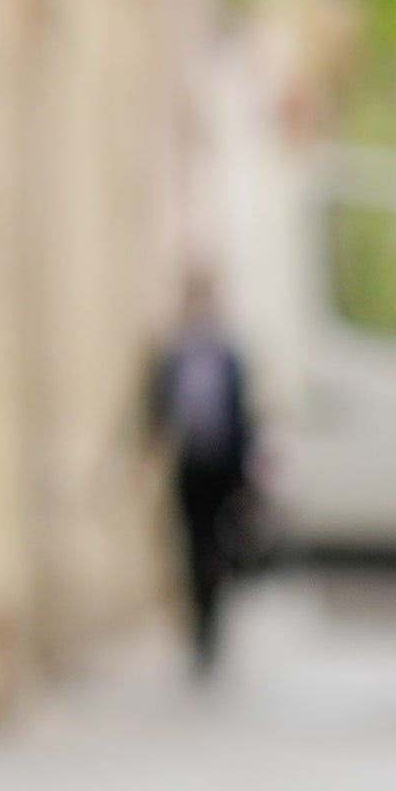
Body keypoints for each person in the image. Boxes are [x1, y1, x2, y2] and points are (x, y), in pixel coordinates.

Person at [146, 271, 258, 670]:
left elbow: (244, 415)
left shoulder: (229, 355)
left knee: (217, 546)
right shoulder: (173, 356)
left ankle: (213, 623)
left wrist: (246, 473)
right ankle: (198, 628)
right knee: (192, 545)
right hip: (190, 463)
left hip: (222, 466)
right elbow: (158, 410)